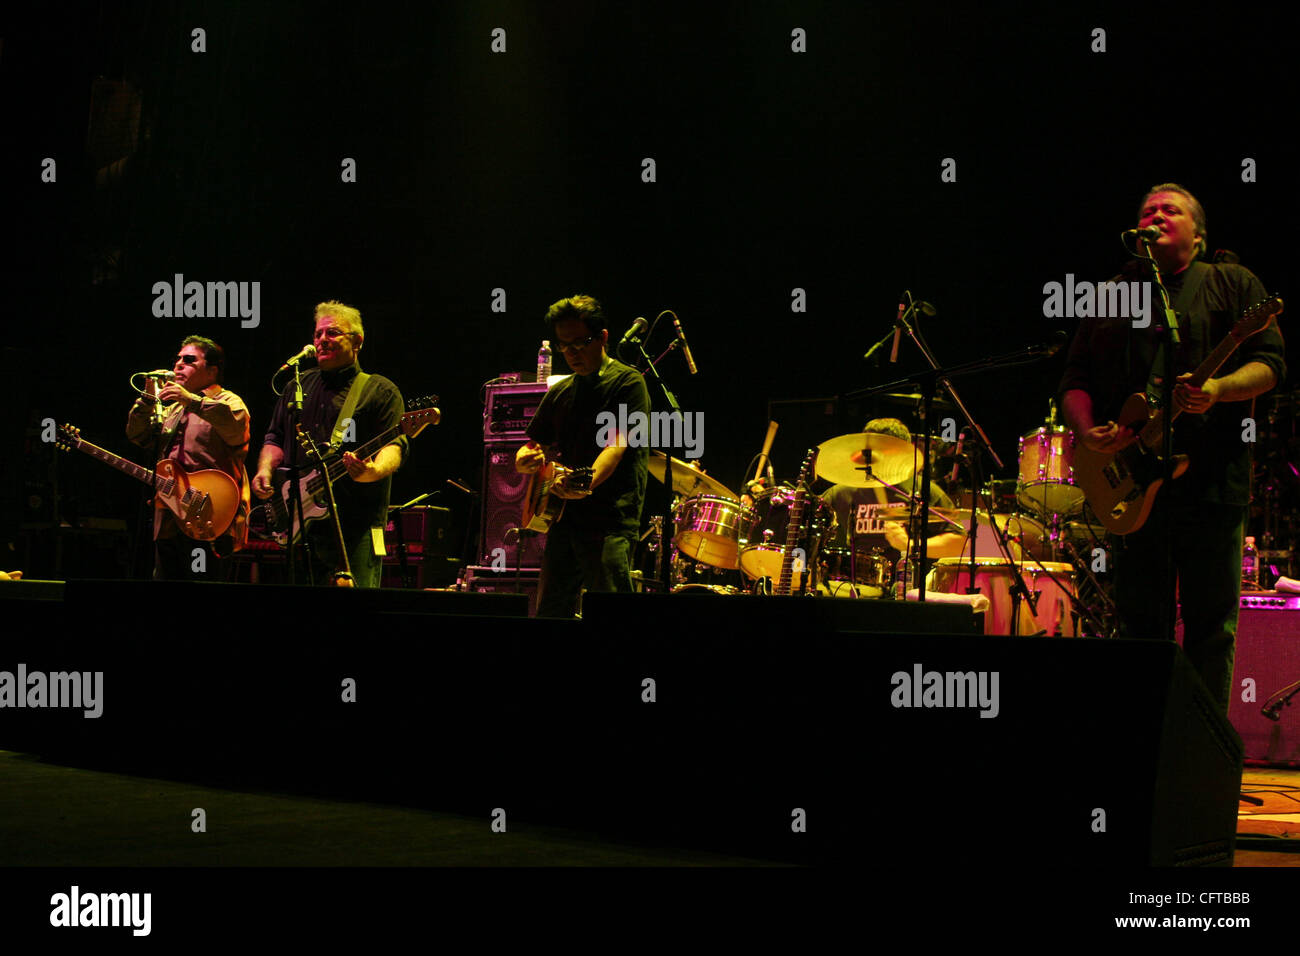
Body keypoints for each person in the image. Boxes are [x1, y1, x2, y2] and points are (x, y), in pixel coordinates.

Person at [1060, 182, 1285, 713]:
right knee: (1138, 622)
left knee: (1211, 625)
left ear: (1198, 236)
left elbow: (1271, 365)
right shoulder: (1112, 295)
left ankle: (1201, 756)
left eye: (1170, 210)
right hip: (1136, 486)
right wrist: (1087, 427)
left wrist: (1219, 389)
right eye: (1147, 211)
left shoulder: (1230, 282)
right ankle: (1141, 744)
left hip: (1212, 481)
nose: (1155, 216)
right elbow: (1074, 376)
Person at [253, 301, 408, 587]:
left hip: (355, 527)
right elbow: (274, 438)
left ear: (357, 341)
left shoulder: (379, 390)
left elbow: (395, 446)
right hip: (299, 525)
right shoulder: (297, 386)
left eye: (333, 333)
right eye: (318, 334)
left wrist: (371, 472)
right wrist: (264, 470)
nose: (322, 340)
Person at [515, 295, 650, 617]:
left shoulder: (629, 383)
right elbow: (533, 445)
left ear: (603, 337)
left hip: (610, 520)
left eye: (580, 343)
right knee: (551, 610)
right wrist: (524, 459)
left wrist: (585, 482)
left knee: (612, 611)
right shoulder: (561, 391)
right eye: (564, 346)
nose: (571, 353)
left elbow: (616, 446)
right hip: (563, 518)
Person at [126, 335, 251, 580]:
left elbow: (235, 427)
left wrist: (190, 399)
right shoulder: (172, 409)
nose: (178, 365)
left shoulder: (228, 401)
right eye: (178, 359)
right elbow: (137, 436)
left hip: (210, 518)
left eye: (189, 360)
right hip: (169, 518)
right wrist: (148, 398)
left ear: (212, 371)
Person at [819, 418, 966, 592]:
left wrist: (910, 545)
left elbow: (960, 542)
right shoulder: (840, 494)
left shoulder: (922, 491)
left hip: (906, 592)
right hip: (843, 589)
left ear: (902, 454)